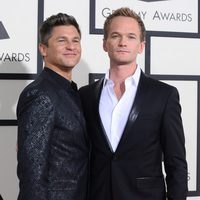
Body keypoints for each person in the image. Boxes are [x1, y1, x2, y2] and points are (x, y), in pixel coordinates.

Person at [79, 7, 188, 200]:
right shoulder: (85, 96)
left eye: (131, 37)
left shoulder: (164, 95)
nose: (122, 43)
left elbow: (176, 162)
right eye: (115, 36)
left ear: (141, 46)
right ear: (104, 44)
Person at [17, 13, 89, 200]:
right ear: (43, 49)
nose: (71, 46)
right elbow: (32, 169)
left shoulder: (72, 92)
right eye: (62, 40)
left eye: (76, 40)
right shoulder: (40, 94)